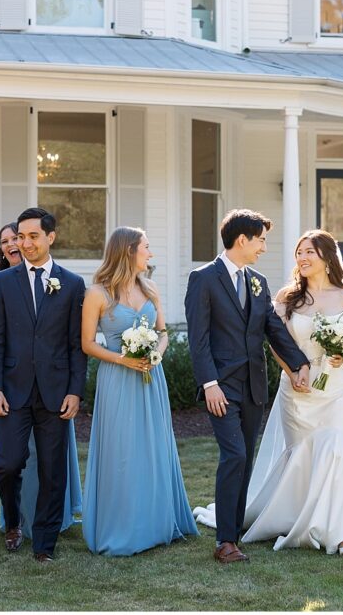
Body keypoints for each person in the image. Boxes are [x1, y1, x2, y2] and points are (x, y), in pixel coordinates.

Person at [196, 230, 343, 555]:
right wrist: (292, 371)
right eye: (299, 252)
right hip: (297, 390)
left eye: (310, 252)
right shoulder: (286, 298)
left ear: (327, 257)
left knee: (336, 450)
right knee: (302, 456)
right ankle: (297, 519)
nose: (303, 258)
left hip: (335, 388)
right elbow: (275, 339)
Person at [185, 209, 309, 564]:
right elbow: (198, 339)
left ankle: (233, 532)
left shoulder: (258, 280)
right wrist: (209, 383)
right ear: (242, 240)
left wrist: (299, 362)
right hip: (221, 387)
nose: (264, 248)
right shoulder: (203, 279)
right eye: (261, 240)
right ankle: (224, 541)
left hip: (254, 386)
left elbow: (272, 327)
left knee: (246, 461)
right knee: (234, 455)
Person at [81, 227, 198, 555]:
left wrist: (155, 353)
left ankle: (158, 522)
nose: (151, 254)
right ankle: (123, 526)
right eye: (146, 247)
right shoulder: (97, 294)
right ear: (129, 250)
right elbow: (87, 343)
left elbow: (162, 332)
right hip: (117, 380)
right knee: (122, 451)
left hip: (151, 378)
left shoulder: (152, 288)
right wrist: (123, 359)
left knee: (152, 447)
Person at [0, 207, 86, 562]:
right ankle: (13, 521)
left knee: (52, 470)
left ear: (50, 237)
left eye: (32, 236)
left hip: (56, 392)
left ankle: (45, 544)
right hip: (11, 390)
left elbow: (77, 344)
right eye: (20, 236)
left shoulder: (72, 284)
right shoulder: (2, 283)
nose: (24, 243)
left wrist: (75, 390)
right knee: (8, 464)